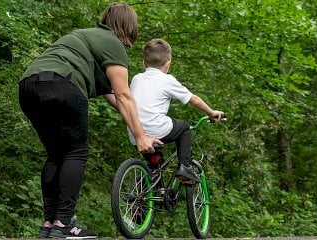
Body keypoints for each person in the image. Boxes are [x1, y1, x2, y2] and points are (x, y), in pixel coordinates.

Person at [18, 3, 162, 239]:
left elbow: (114, 97)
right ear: (128, 27)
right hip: (63, 85)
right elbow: (125, 95)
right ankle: (64, 223)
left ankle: (49, 223)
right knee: (76, 152)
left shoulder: (83, 36)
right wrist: (140, 137)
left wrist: (141, 129)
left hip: (29, 86)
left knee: (56, 154)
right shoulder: (113, 43)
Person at [127, 38, 224, 182]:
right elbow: (193, 99)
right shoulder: (167, 80)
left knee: (155, 166)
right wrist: (211, 112)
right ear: (168, 64)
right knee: (184, 127)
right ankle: (185, 167)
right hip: (157, 129)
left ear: (143, 63)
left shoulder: (136, 78)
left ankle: (144, 197)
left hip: (135, 132)